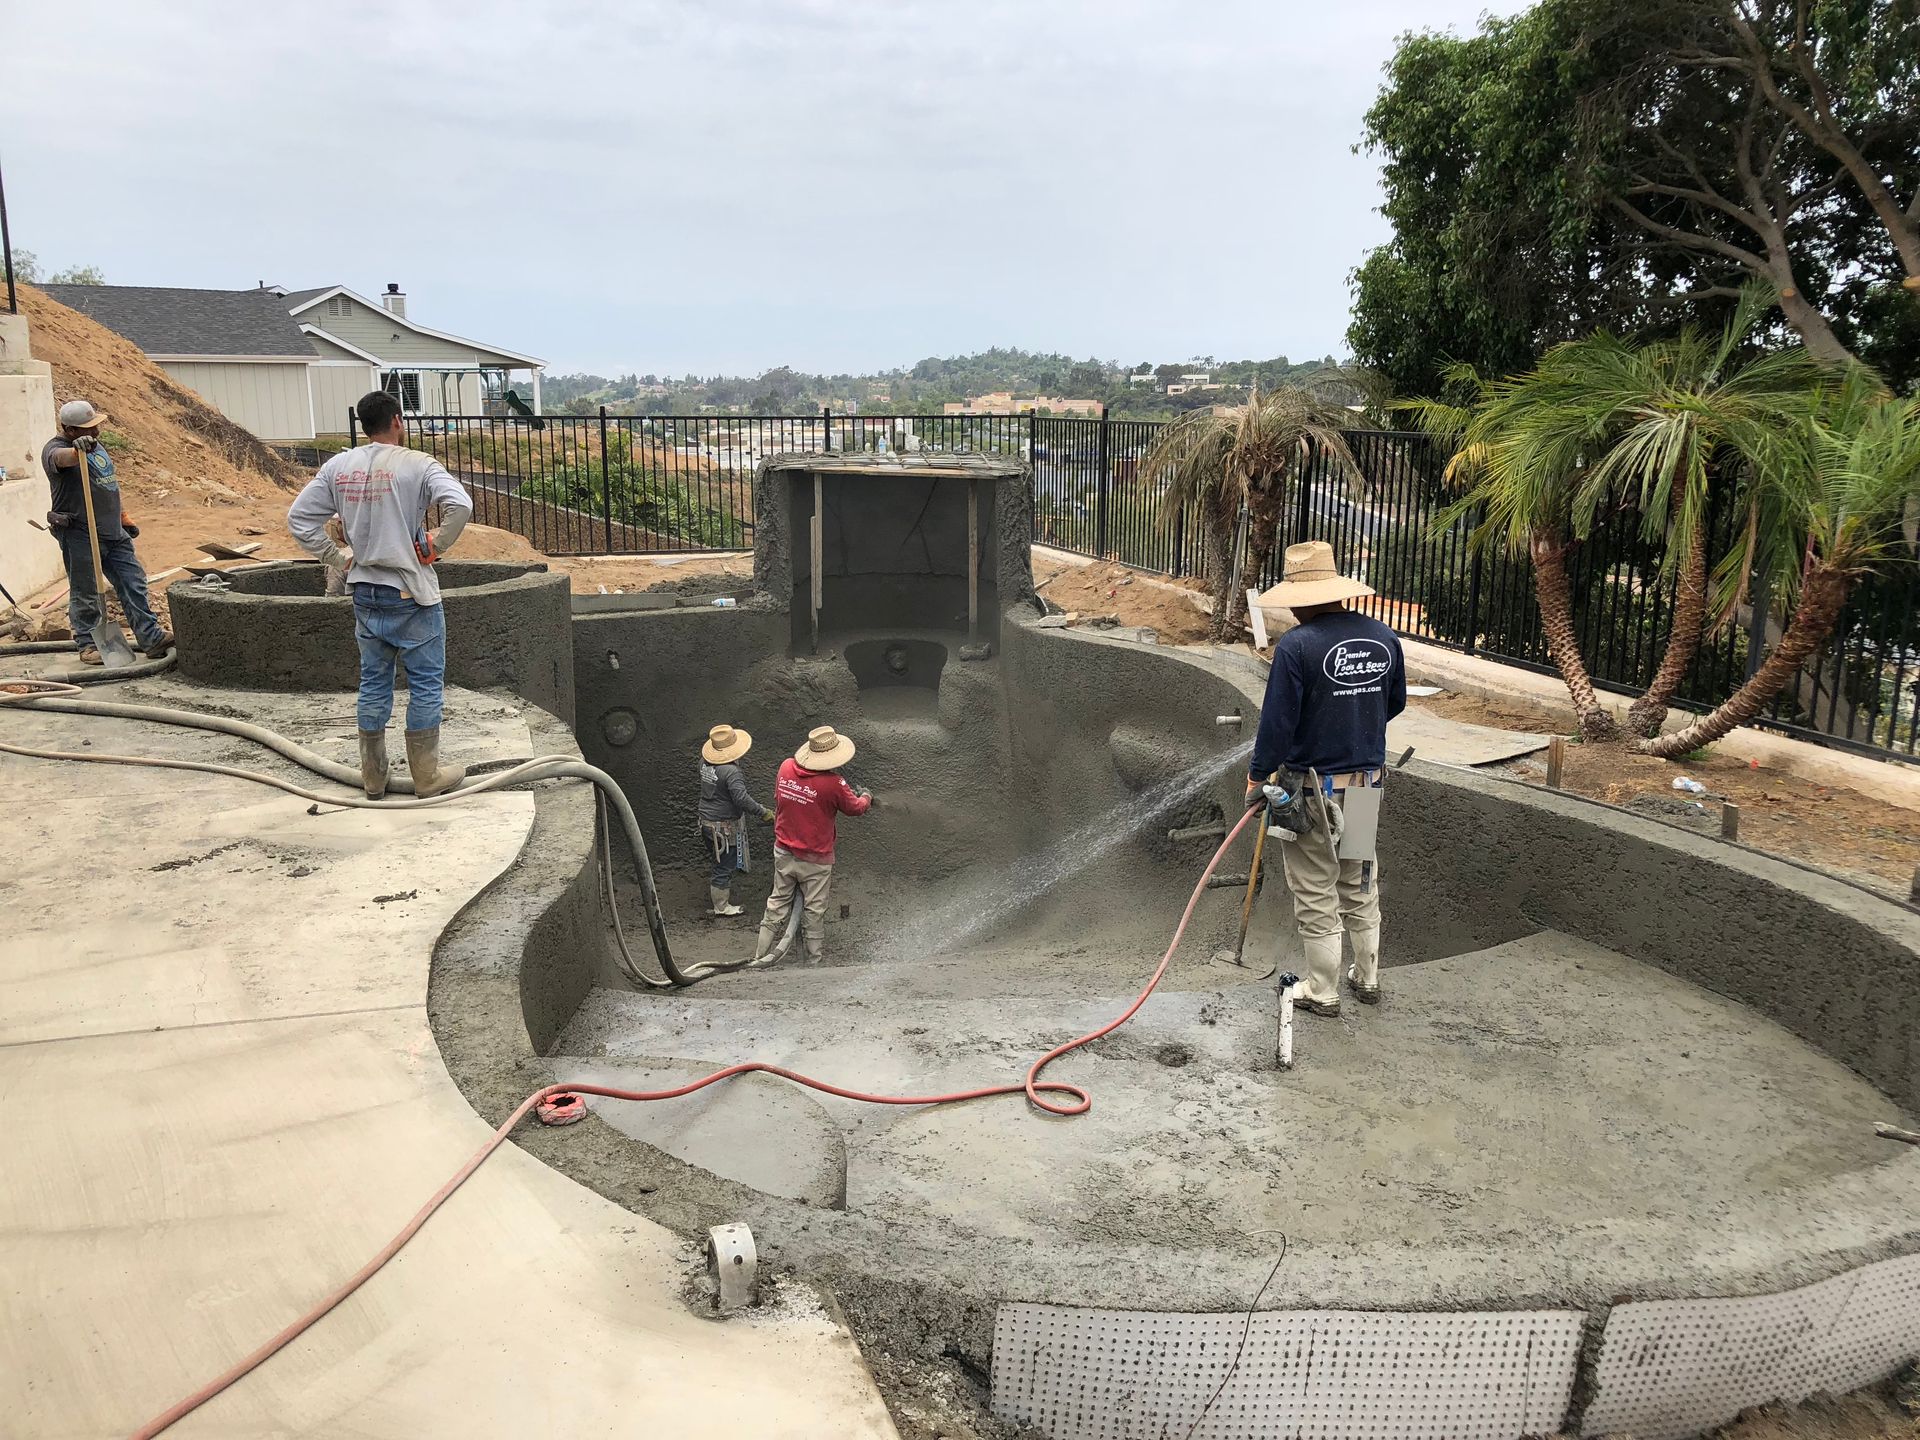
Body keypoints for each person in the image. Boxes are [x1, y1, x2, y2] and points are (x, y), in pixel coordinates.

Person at [287, 390, 474, 800]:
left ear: (365, 424)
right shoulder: (417, 464)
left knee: (374, 682)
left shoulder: (338, 466)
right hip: (410, 593)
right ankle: (426, 776)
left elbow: (299, 519)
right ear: (396, 421)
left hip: (365, 593)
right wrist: (437, 545)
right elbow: (460, 503)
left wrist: (337, 558)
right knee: (425, 684)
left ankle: (373, 778)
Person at [1246, 541, 1406, 1016]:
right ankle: (1368, 977)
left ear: (1300, 598)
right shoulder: (1383, 637)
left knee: (1316, 888)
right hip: (1366, 785)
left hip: (1313, 791)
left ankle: (1323, 989)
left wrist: (1257, 777)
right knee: (1358, 879)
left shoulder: (1297, 646)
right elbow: (1393, 702)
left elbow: (1277, 723)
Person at [41, 399, 172, 662]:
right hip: (81, 533)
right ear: (70, 430)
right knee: (86, 590)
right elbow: (61, 460)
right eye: (88, 428)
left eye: (96, 426)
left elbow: (108, 484)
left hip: (113, 531)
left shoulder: (96, 445)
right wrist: (76, 453)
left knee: (133, 582)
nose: (96, 432)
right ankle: (88, 644)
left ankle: (151, 637)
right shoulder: (55, 450)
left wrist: (123, 517)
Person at [748, 725, 872, 967]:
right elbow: (856, 808)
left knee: (776, 903)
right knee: (814, 910)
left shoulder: (785, 767)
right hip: (816, 859)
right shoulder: (834, 784)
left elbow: (780, 800)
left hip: (784, 851)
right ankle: (813, 964)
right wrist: (867, 796)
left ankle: (759, 957)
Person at [698, 722, 774, 917]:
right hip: (722, 827)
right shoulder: (732, 772)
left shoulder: (704, 763)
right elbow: (741, 799)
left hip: (705, 821)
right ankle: (721, 908)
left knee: (718, 862)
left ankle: (719, 902)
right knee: (724, 865)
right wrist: (763, 812)